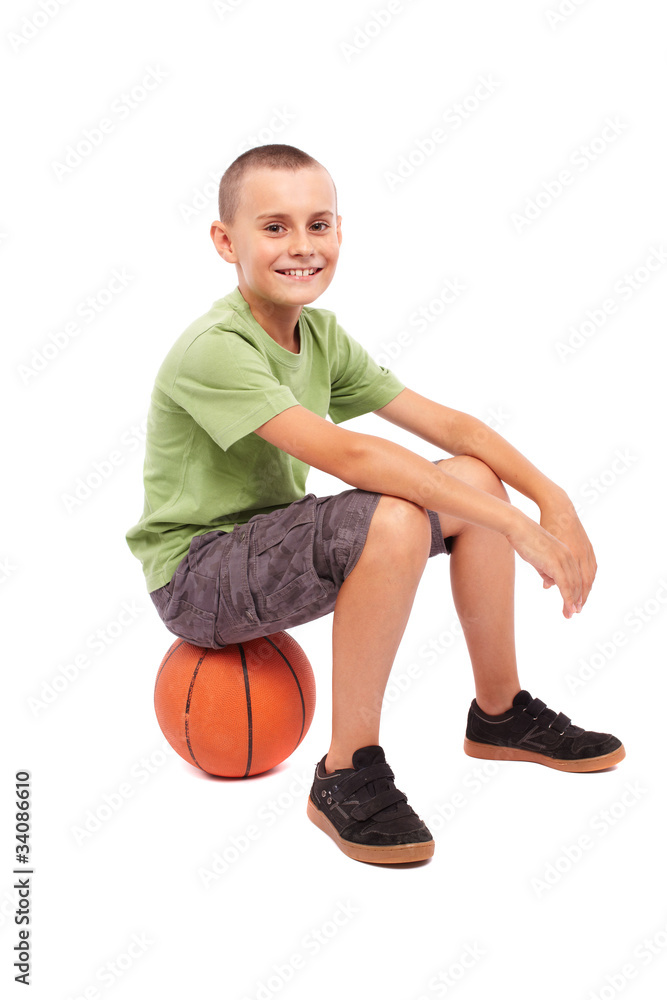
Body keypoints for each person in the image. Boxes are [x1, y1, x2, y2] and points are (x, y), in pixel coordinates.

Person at [126, 143, 624, 866]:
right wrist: (517, 527)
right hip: (196, 578)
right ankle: (345, 771)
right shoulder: (215, 347)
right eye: (274, 227)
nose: (301, 246)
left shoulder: (319, 336)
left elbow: (455, 430)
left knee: (475, 479)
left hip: (268, 544)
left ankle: (500, 713)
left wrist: (553, 501)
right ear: (224, 242)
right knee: (394, 514)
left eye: (318, 224)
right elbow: (351, 456)